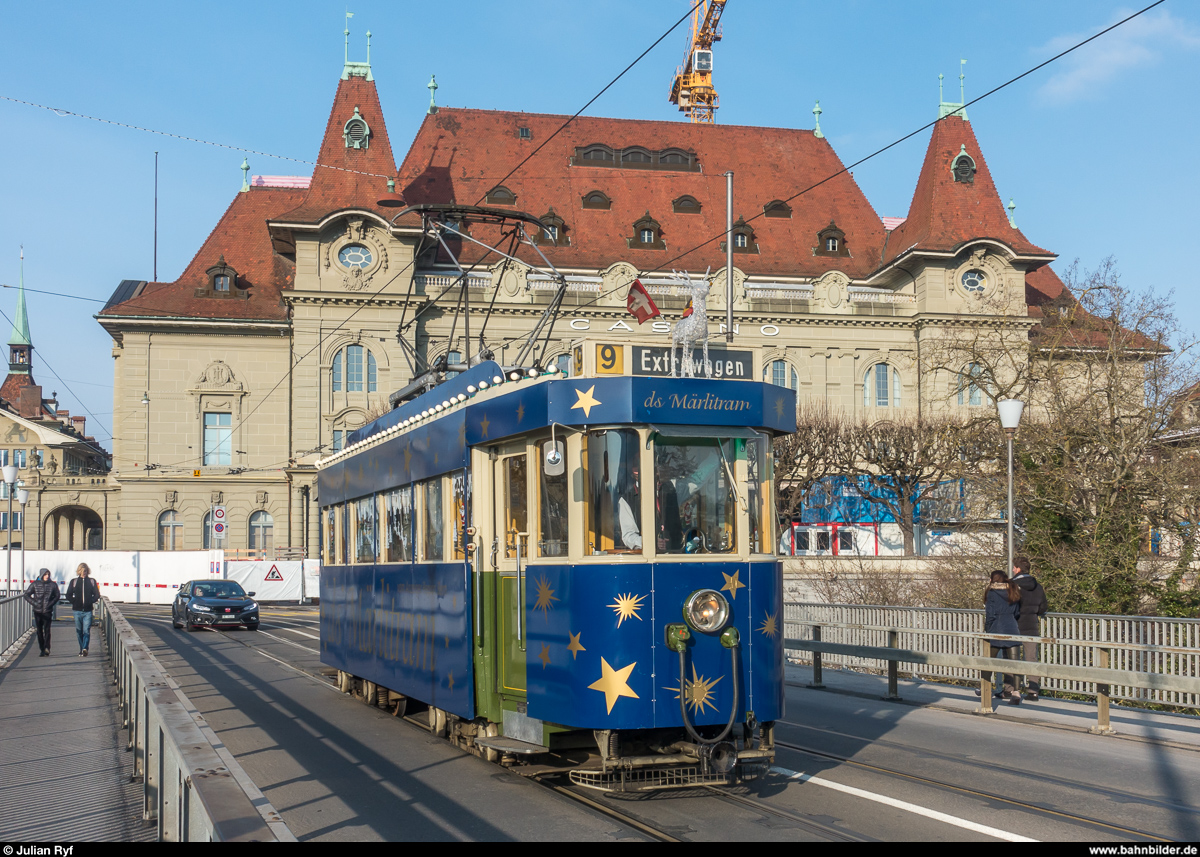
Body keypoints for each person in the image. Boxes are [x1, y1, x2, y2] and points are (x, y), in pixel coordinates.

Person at [981, 569, 1022, 705]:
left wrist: (987, 629)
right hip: (1012, 627)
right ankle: (1016, 692)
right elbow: (1017, 611)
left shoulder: (992, 593)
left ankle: (984, 688)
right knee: (1015, 663)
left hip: (997, 628)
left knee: (989, 661)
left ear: (992, 580)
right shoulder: (1013, 590)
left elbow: (990, 614)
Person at [1012, 555, 1048, 700]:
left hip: (1013, 625)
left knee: (1012, 658)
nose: (1013, 570)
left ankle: (1011, 689)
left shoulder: (1012, 585)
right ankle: (1033, 690)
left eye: (1014, 567)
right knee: (1031, 658)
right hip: (1031, 625)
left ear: (1018, 569)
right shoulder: (1038, 586)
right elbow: (1043, 607)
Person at [65, 562, 100, 656]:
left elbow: (97, 594)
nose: (83, 573)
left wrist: (91, 601)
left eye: (85, 571)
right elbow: (68, 595)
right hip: (77, 610)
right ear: (79, 571)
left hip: (88, 610)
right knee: (79, 631)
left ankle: (85, 648)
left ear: (87, 571)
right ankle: (82, 649)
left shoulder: (92, 581)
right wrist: (74, 601)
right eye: (81, 571)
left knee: (86, 630)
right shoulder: (74, 581)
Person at [23, 568, 60, 657]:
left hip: (47, 611)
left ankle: (47, 648)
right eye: (45, 574)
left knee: (47, 630)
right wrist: (35, 603)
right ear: (41, 575)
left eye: (48, 574)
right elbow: (26, 595)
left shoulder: (53, 585)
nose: (47, 576)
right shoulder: (35, 584)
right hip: (38, 611)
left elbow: (57, 596)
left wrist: (51, 603)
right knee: (39, 631)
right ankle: (42, 649)